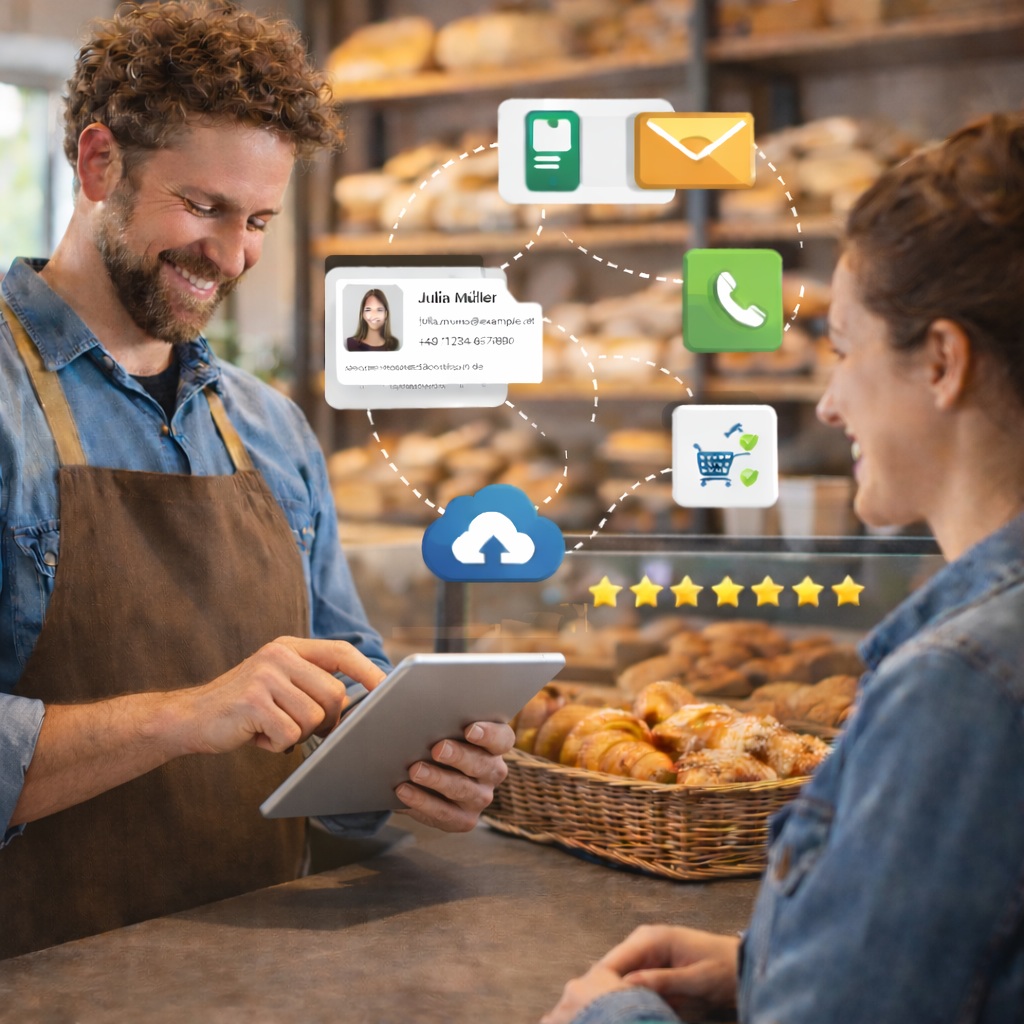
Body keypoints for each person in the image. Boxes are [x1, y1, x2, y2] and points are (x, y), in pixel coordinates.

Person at [0, 1, 512, 959]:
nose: (233, 256)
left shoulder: (270, 427)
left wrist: (410, 767)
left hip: (259, 974)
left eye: (261, 220)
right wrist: (184, 717)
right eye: (204, 208)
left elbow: (341, 705)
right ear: (99, 163)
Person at [543, 110, 1024, 1024]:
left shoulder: (961, 688)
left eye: (843, 351)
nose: (830, 403)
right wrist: (768, 965)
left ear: (944, 362)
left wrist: (606, 1020)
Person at [346, 287, 400, 351]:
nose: (374, 315)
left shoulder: (395, 346)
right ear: (363, 314)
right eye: (368, 309)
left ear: (386, 314)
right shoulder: (350, 344)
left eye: (379, 310)